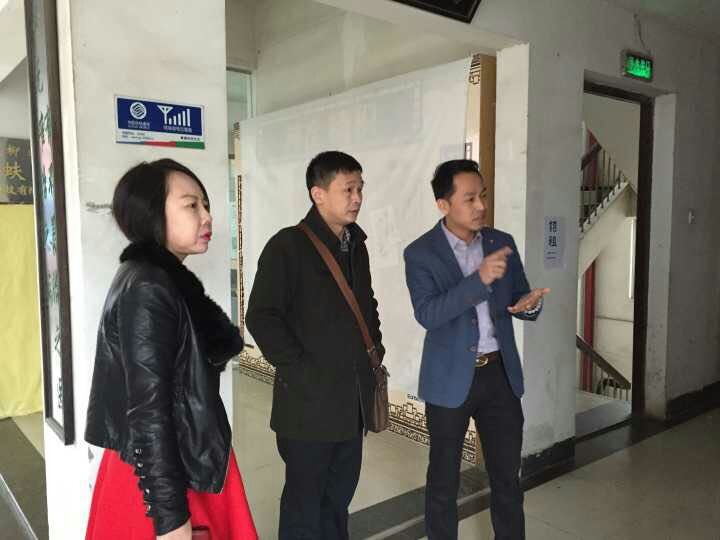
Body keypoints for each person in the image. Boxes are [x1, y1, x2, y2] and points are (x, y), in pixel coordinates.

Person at [84, 159, 257, 540]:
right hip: (166, 473)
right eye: (191, 205)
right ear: (151, 214)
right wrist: (170, 520)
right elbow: (148, 413)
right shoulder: (148, 287)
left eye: (206, 205)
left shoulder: (158, 279)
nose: (207, 217)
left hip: (180, 455)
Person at [403, 160, 549, 540]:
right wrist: (478, 280)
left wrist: (528, 306)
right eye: (469, 198)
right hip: (449, 379)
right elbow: (428, 314)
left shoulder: (501, 242)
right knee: (443, 482)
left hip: (500, 375)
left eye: (482, 195)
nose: (481, 205)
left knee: (507, 478)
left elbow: (519, 295)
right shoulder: (420, 253)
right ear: (443, 204)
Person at [245, 150, 384, 539]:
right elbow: (261, 316)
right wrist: (302, 371)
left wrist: (375, 349)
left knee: (338, 500)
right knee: (304, 504)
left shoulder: (355, 244)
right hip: (307, 406)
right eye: (348, 189)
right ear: (318, 194)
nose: (357, 198)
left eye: (360, 189)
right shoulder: (287, 247)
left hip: (352, 403)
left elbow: (367, 304)